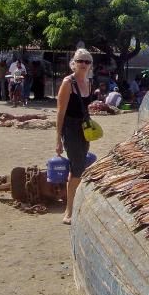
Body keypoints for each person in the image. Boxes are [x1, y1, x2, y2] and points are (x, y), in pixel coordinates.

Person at [56, 48, 94, 225]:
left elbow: (85, 108)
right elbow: (60, 112)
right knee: (77, 165)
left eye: (87, 61)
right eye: (81, 61)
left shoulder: (89, 82)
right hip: (70, 127)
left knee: (78, 165)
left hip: (84, 128)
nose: (84, 64)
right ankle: (69, 210)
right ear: (74, 63)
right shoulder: (68, 82)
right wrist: (58, 138)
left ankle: (74, 204)